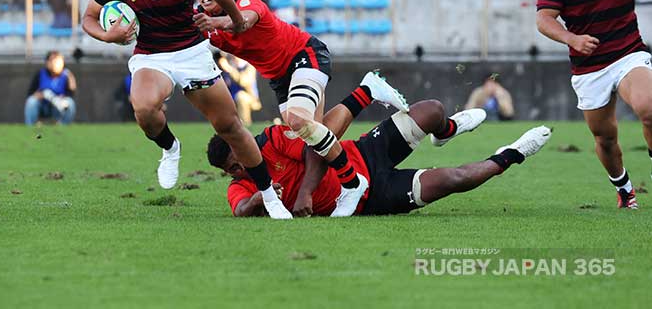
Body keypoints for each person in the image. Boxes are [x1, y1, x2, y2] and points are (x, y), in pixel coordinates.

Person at [81, 0, 293, 219]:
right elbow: (88, 18)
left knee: (229, 126)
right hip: (151, 55)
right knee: (143, 107)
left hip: (191, 52)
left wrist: (236, 20)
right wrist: (107, 36)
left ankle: (268, 194)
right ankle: (170, 147)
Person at [194, 0, 430, 216]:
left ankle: (351, 182)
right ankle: (367, 90)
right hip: (280, 78)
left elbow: (242, 21)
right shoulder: (197, 15)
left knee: (297, 121)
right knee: (311, 139)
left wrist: (213, 23)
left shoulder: (247, 1)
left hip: (305, 55)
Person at [208, 82, 547, 218]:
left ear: (245, 144)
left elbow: (317, 148)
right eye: (231, 171)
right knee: (453, 179)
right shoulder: (243, 186)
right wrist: (256, 201)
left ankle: (448, 130)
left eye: (237, 163)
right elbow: (239, 210)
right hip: (375, 198)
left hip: (363, 155)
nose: (238, 172)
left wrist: (305, 193)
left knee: (430, 109)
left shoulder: (271, 140)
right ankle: (513, 153)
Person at [536, 0, 652, 209]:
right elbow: (544, 20)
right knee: (605, 137)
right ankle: (625, 190)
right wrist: (572, 39)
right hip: (589, 68)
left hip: (629, 53)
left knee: (649, 106)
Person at [25, 51, 77, 125]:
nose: (55, 63)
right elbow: (30, 93)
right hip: (43, 106)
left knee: (70, 103)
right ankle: (31, 128)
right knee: (31, 101)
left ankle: (64, 127)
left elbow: (71, 93)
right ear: (47, 62)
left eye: (58, 61)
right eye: (52, 60)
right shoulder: (40, 73)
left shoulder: (67, 75)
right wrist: (39, 95)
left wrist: (61, 98)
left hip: (58, 106)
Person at [217, 53, 262, 126]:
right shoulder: (229, 65)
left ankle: (245, 126)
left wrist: (230, 69)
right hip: (231, 97)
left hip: (250, 99)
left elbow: (244, 81)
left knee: (241, 96)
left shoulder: (249, 66)